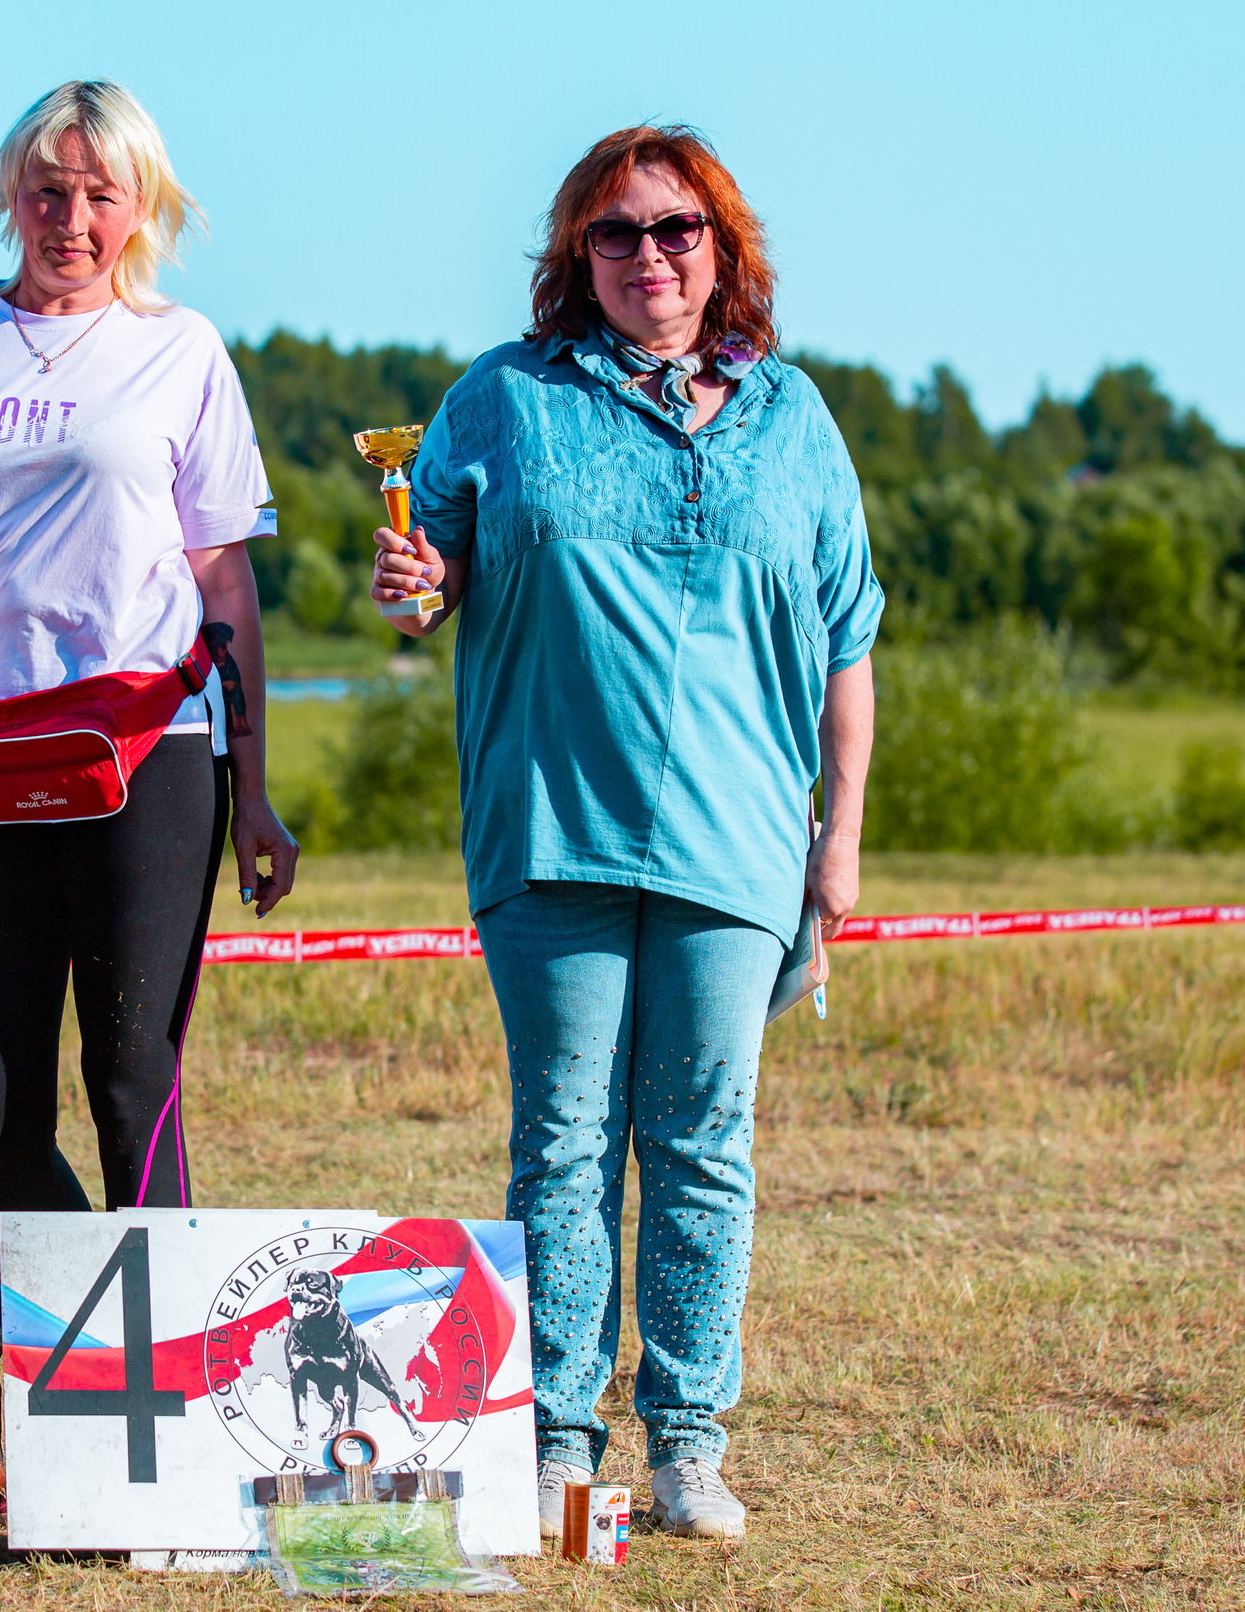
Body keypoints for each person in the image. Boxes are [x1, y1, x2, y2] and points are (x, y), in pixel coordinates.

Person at [369, 125, 881, 1542]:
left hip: (742, 848)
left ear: (723, 250)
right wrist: (410, 582)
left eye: (677, 230)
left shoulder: (796, 418)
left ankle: (688, 1445)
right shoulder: (502, 402)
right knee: (565, 1147)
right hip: (553, 831)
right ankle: (552, 1445)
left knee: (707, 1145)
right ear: (572, 256)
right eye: (616, 233)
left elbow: (849, 640)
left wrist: (835, 848)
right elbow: (428, 589)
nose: (648, 255)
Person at [0, 80, 297, 1225]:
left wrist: (252, 790)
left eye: (100, 193)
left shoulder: (182, 350)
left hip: (151, 751)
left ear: (141, 205)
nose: (71, 218)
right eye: (47, 190)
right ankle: (76, 1374)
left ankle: (161, 1379)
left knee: (131, 1085)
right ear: (10, 197)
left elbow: (223, 579)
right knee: (0, 1120)